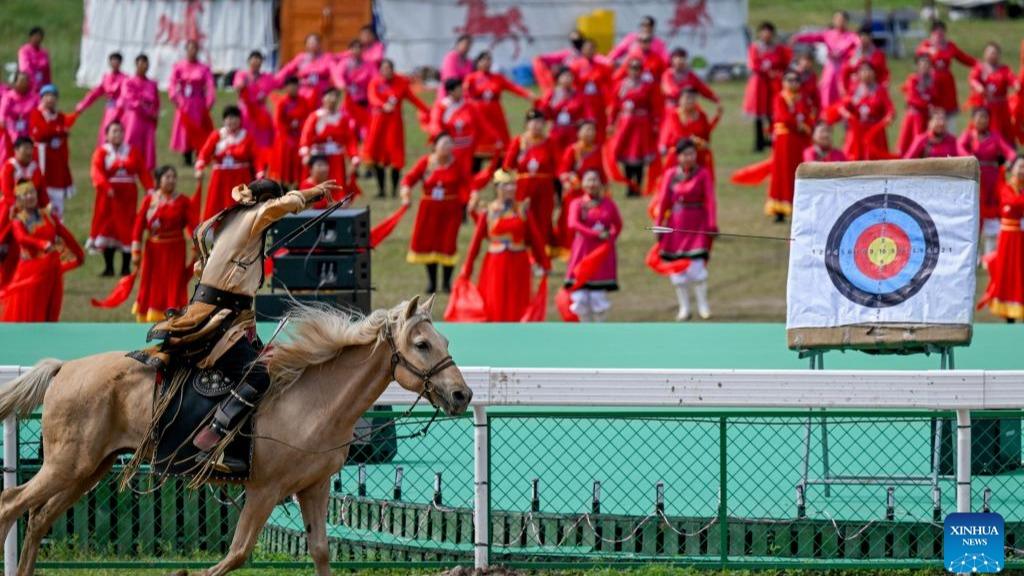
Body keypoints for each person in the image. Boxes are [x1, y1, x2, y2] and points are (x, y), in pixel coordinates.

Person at [148, 178, 340, 473]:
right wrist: (312, 194)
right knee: (259, 374)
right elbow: (277, 207)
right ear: (265, 201)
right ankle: (210, 443)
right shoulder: (254, 216)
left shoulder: (231, 221)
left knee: (268, 364)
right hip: (217, 319)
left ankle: (246, 445)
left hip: (225, 316)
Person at [460, 170, 550, 322]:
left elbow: (535, 239)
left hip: (519, 263)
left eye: (513, 184)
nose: (511, 188)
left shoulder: (522, 209)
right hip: (495, 263)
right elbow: (476, 242)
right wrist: (467, 270)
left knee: (518, 302)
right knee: (495, 301)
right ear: (497, 187)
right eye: (506, 185)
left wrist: (544, 263)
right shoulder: (488, 210)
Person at [0, 182, 83, 322]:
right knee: (31, 311)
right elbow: (22, 238)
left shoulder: (47, 215)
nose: (30, 196)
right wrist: (42, 244)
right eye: (26, 194)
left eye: (32, 192)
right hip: (30, 273)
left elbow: (64, 233)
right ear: (19, 199)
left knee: (50, 308)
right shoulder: (18, 220)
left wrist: (78, 253)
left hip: (51, 270)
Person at [654, 139, 716, 320]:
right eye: (685, 154)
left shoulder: (703, 174)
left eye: (692, 153)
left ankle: (703, 305)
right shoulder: (670, 175)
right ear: (678, 156)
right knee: (677, 268)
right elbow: (663, 201)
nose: (689, 157)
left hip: (697, 224)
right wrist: (659, 224)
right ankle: (684, 307)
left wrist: (712, 224)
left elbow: (710, 200)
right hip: (676, 225)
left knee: (697, 267)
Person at [400, 134, 468, 294]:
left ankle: (446, 283)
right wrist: (405, 190)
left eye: (450, 144)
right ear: (435, 146)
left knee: (448, 244)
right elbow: (409, 178)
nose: (447, 147)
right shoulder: (426, 162)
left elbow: (467, 184)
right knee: (429, 244)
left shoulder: (457, 164)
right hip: (429, 210)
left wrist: (467, 201)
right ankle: (432, 282)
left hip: (450, 210)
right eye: (444, 144)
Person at [88, 121, 155, 276]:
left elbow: (142, 171)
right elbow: (96, 171)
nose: (117, 134)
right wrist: (106, 187)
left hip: (127, 197)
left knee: (127, 227)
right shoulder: (102, 152)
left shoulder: (132, 151)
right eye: (114, 131)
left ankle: (126, 267)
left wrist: (150, 189)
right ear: (107, 135)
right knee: (108, 228)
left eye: (120, 131)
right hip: (109, 197)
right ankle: (109, 267)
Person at [131, 165, 196, 322]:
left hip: (175, 249)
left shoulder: (183, 201)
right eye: (167, 177)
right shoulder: (150, 200)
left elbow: (194, 226)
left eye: (174, 177)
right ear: (159, 180)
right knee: (152, 283)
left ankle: (173, 315)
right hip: (153, 250)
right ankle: (151, 315)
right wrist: (136, 251)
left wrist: (198, 248)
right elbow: (138, 226)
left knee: (175, 282)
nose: (171, 180)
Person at [363, 59, 430, 198]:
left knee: (396, 157)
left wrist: (428, 110)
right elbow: (372, 97)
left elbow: (413, 99)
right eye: (384, 68)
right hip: (379, 124)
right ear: (380, 70)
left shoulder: (401, 83)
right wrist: (383, 105)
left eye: (389, 68)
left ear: (393, 69)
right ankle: (381, 190)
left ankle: (394, 190)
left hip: (394, 125)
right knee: (378, 157)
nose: (387, 71)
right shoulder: (375, 82)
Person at [959, 107, 1017, 255]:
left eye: (985, 117)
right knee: (975, 216)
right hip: (975, 180)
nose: (982, 120)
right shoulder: (969, 136)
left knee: (993, 214)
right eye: (979, 117)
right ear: (973, 119)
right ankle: (974, 253)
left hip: (993, 180)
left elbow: (1009, 150)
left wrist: (1012, 160)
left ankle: (990, 253)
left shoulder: (994, 136)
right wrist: (970, 159)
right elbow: (960, 147)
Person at [565, 169, 621, 322]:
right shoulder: (577, 203)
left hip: (601, 256)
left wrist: (611, 236)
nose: (592, 184)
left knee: (598, 296)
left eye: (595, 180)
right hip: (582, 252)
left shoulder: (609, 204)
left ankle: (600, 329)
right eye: (588, 180)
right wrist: (596, 234)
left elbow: (617, 224)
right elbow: (573, 224)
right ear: (582, 184)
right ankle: (585, 329)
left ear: (601, 183)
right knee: (580, 297)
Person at [464, 51, 535, 169]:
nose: (486, 62)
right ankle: (473, 182)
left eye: (489, 60)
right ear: (477, 63)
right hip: (479, 116)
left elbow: (513, 87)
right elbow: (464, 95)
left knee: (500, 147)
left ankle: (501, 179)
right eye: (483, 60)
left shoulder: (498, 78)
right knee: (477, 151)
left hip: (495, 116)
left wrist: (527, 94)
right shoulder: (471, 78)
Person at [504, 109, 559, 251]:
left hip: (544, 189)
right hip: (523, 189)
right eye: (532, 122)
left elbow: (559, 165)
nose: (535, 125)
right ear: (527, 124)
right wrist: (502, 187)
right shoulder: (519, 142)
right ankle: (523, 249)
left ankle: (540, 252)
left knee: (543, 219)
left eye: (539, 122)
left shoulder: (549, 142)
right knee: (524, 218)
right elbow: (507, 166)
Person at [979, 157, 1024, 322]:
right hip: (1008, 238)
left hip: (1020, 237)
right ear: (1012, 169)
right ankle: (1008, 311)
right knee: (1008, 272)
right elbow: (1011, 202)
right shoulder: (1005, 188)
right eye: (1020, 167)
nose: (1022, 171)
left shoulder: (1021, 190)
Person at [0, 137, 48, 287]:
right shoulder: (10, 167)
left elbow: (41, 190)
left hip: (30, 213)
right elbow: (7, 191)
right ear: (16, 150)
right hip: (10, 211)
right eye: (25, 148)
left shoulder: (35, 168)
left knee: (22, 247)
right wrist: (15, 205)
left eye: (30, 148)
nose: (28, 152)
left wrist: (45, 208)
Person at [766, 72, 813, 221]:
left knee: (798, 170)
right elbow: (782, 117)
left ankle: (800, 207)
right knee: (782, 172)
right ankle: (780, 210)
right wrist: (798, 124)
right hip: (784, 141)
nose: (793, 83)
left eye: (796, 80)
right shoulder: (779, 98)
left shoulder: (803, 99)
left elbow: (808, 116)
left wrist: (803, 125)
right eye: (789, 80)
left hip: (799, 141)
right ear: (783, 82)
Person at [196, 106, 257, 220]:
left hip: (240, 178)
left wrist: (260, 172)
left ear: (240, 120)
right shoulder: (217, 135)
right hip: (220, 179)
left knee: (241, 208)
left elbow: (256, 157)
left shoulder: (247, 136)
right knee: (217, 206)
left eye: (235, 118)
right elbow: (204, 153)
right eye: (229, 118)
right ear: (224, 120)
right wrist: (200, 166)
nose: (232, 121)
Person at [790, 10, 858, 109]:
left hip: (844, 69)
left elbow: (858, 49)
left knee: (844, 92)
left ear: (846, 22)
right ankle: (825, 116)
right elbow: (813, 37)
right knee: (826, 92)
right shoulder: (828, 34)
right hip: (830, 69)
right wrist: (798, 38)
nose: (840, 22)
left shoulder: (851, 36)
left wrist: (847, 55)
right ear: (834, 20)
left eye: (842, 20)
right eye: (837, 19)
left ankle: (844, 116)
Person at [610, 58, 658, 195]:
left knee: (640, 155)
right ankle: (629, 185)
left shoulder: (647, 86)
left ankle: (638, 184)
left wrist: (655, 123)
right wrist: (611, 123)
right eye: (632, 67)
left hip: (642, 124)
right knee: (627, 155)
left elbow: (654, 106)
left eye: (637, 68)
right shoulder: (621, 85)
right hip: (626, 124)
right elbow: (615, 106)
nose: (634, 71)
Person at [556, 121, 604, 252]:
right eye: (586, 130)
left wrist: (604, 186)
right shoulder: (573, 150)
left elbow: (601, 170)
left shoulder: (598, 149)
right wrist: (571, 179)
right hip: (575, 191)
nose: (589, 133)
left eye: (592, 130)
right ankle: (570, 245)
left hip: (593, 189)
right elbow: (562, 170)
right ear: (579, 133)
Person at [744, 22, 791, 152]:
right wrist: (767, 70)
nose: (766, 35)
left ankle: (772, 139)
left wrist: (776, 72)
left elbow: (784, 63)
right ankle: (759, 142)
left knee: (773, 113)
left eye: (769, 33)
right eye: (764, 32)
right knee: (759, 114)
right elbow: (754, 65)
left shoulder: (778, 48)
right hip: (760, 84)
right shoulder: (755, 47)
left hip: (774, 83)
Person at [28, 84, 74, 216]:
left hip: (57, 162)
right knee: (40, 192)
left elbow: (62, 138)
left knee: (57, 197)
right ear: (42, 98)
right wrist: (58, 131)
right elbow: (40, 133)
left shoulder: (60, 117)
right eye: (47, 96)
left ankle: (57, 226)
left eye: (53, 96)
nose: (50, 99)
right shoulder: (36, 114)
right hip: (41, 159)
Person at [298, 88, 359, 187]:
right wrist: (305, 150)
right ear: (323, 99)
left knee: (336, 184)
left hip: (336, 158)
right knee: (317, 185)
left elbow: (350, 139)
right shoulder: (315, 116)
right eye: (330, 96)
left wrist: (354, 155)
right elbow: (306, 134)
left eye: (335, 96)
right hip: (319, 156)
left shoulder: (343, 118)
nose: (332, 99)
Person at [915, 20, 975, 120]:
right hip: (930, 81)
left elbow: (964, 58)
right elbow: (919, 52)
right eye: (937, 33)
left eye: (942, 33)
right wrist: (930, 50)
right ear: (932, 34)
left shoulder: (950, 46)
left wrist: (979, 64)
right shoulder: (926, 46)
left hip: (947, 82)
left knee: (948, 110)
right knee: (932, 106)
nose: (940, 36)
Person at [168, 40, 215, 166]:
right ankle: (186, 156)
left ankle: (200, 154)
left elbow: (210, 85)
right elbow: (172, 84)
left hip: (199, 102)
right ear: (186, 50)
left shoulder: (204, 68)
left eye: (195, 49)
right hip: (184, 102)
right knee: (185, 129)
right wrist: (176, 98)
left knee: (199, 128)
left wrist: (209, 102)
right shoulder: (178, 66)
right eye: (190, 48)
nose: (192, 51)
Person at [429, 79, 486, 176]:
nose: (462, 92)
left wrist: (493, 138)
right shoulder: (442, 106)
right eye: (459, 89)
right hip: (451, 149)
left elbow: (481, 124)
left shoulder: (469, 105)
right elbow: (435, 124)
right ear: (451, 91)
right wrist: (442, 140)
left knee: (467, 176)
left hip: (468, 149)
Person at [232, 50, 278, 167]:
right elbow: (238, 87)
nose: (256, 61)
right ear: (249, 61)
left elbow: (272, 89)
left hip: (260, 113)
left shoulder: (267, 77)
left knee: (262, 140)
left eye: (259, 59)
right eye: (254, 58)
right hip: (246, 112)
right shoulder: (242, 75)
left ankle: (262, 163)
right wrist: (243, 85)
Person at [659, 88, 720, 176]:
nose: (690, 101)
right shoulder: (675, 115)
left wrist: (716, 118)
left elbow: (706, 132)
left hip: (698, 153)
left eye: (693, 98)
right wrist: (696, 141)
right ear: (680, 99)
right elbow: (679, 134)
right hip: (680, 152)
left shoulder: (701, 115)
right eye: (687, 98)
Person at [839, 62, 893, 161]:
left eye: (869, 70)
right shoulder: (854, 89)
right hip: (857, 130)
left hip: (875, 132)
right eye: (863, 70)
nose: (866, 73)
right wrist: (847, 115)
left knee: (875, 160)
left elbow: (890, 110)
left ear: (874, 73)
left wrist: (887, 119)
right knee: (853, 158)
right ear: (858, 74)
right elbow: (843, 107)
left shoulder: (880, 90)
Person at [118, 54, 160, 171]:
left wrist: (154, 114)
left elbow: (156, 101)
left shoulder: (152, 84)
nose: (143, 66)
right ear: (136, 64)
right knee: (131, 140)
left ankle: (146, 166)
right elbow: (129, 99)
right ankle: (128, 163)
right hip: (134, 117)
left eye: (145, 63)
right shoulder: (128, 82)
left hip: (149, 119)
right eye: (141, 63)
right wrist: (144, 109)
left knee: (148, 142)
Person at [74, 52, 125, 146]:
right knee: (106, 133)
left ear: (120, 63)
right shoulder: (106, 77)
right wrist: (83, 105)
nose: (114, 63)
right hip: (109, 110)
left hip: (121, 111)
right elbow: (95, 93)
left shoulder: (125, 79)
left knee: (118, 133)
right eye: (112, 61)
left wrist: (120, 106)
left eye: (117, 61)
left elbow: (126, 96)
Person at [968, 42, 1015, 142]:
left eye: (995, 53)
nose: (992, 55)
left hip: (1000, 108)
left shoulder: (1004, 69)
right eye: (990, 52)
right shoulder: (980, 68)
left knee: (1003, 131)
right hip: (985, 106)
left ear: (998, 55)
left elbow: (1012, 79)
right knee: (981, 127)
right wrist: (978, 86)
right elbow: (972, 79)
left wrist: (1016, 84)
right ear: (985, 54)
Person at [332, 39, 376, 142]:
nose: (356, 51)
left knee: (366, 129)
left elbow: (376, 78)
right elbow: (338, 76)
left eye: (359, 48)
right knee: (349, 126)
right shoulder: (345, 64)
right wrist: (342, 85)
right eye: (354, 48)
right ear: (349, 50)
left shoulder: (369, 64)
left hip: (364, 101)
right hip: (349, 102)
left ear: (363, 50)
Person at [570, 39, 613, 142]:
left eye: (591, 48)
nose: (589, 51)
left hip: (598, 101)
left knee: (599, 128)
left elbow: (609, 86)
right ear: (582, 50)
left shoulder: (603, 67)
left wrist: (609, 103)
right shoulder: (575, 66)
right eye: (587, 48)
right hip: (582, 102)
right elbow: (572, 85)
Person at [269, 76, 309, 186]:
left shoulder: (303, 101)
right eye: (291, 86)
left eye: (296, 86)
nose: (294, 89)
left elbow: (307, 118)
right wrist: (288, 129)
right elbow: (278, 122)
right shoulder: (282, 102)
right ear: (286, 88)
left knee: (299, 162)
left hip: (299, 137)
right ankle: (282, 185)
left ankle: (299, 184)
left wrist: (299, 126)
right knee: (283, 163)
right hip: (285, 138)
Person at [538, 67, 584, 162]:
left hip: (572, 129)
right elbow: (542, 110)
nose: (567, 79)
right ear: (558, 79)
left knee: (572, 155)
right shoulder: (552, 93)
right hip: (556, 129)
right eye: (565, 76)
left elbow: (585, 111)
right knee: (555, 155)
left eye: (570, 76)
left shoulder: (578, 94)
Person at [276, 33, 334, 107]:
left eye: (315, 42)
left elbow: (336, 71)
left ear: (319, 44)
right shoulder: (301, 58)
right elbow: (287, 70)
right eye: (310, 43)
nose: (312, 45)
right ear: (306, 45)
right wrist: (274, 81)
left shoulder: (327, 57)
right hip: (303, 92)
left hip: (321, 93)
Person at [897, 55, 938, 155]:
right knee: (911, 141)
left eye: (927, 64)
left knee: (924, 142)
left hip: (926, 116)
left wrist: (929, 104)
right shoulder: (913, 79)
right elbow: (911, 98)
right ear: (918, 66)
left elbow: (935, 96)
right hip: (914, 116)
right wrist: (927, 104)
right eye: (922, 64)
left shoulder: (932, 80)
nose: (925, 67)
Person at [840, 24, 889, 97]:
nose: (863, 39)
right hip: (855, 89)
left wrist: (884, 85)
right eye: (861, 37)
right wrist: (843, 87)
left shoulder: (878, 54)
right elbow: (845, 72)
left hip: (873, 89)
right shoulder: (852, 53)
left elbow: (884, 72)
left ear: (870, 38)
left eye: (866, 37)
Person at [0, 72, 39, 163]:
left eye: (26, 81)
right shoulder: (8, 96)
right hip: (10, 129)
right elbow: (3, 113)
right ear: (15, 82)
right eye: (21, 81)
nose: (23, 83)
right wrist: (2, 120)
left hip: (28, 129)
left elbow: (39, 112)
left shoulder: (34, 97)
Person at [439, 35, 474, 99]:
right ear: (458, 44)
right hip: (449, 93)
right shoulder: (450, 57)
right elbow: (450, 78)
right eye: (465, 44)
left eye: (469, 44)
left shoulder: (469, 61)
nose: (466, 46)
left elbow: (471, 77)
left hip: (463, 95)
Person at [18, 27, 51, 92]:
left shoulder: (44, 52)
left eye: (40, 37)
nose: (38, 39)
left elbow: (47, 70)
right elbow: (24, 68)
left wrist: (48, 85)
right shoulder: (24, 50)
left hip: (41, 84)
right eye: (36, 36)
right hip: (29, 84)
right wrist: (33, 82)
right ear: (30, 37)